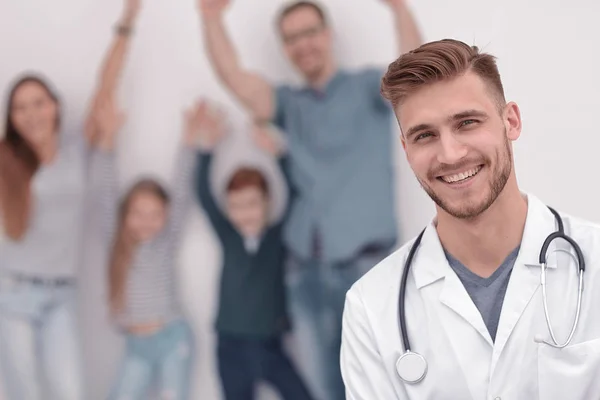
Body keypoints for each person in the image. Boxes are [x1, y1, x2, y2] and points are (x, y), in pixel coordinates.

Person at [340, 38, 600, 399]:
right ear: (406, 149)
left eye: (466, 122)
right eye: (424, 135)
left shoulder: (595, 259)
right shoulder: (369, 307)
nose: (450, 154)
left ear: (511, 121)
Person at [197, 1, 423, 398]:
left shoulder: (368, 88)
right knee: (323, 390)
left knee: (385, 387)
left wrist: (399, 10)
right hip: (306, 276)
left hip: (368, 270)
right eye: (291, 38)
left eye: (309, 32)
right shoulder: (287, 103)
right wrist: (211, 18)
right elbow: (232, 76)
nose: (303, 44)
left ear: (328, 33)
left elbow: (419, 75)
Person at [0, 2, 139, 398]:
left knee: (71, 391)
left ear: (55, 106)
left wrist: (127, 23)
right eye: (20, 108)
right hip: (12, 294)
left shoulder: (79, 148)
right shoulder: (5, 160)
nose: (31, 114)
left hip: (62, 294)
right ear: (11, 119)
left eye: (38, 103)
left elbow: (107, 83)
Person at [195, 106, 314, 400]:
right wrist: (206, 151)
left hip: (270, 343)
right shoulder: (228, 235)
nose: (244, 213)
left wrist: (280, 154)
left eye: (251, 204)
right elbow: (204, 195)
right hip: (230, 344)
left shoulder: (277, 234)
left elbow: (298, 191)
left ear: (267, 202)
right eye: (236, 206)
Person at [89, 96, 197, 400]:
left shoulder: (166, 242)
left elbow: (183, 186)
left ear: (166, 217)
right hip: (136, 344)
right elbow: (104, 189)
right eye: (138, 214)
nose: (146, 222)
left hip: (171, 337)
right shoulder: (116, 239)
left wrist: (189, 140)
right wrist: (108, 138)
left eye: (155, 214)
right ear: (124, 216)